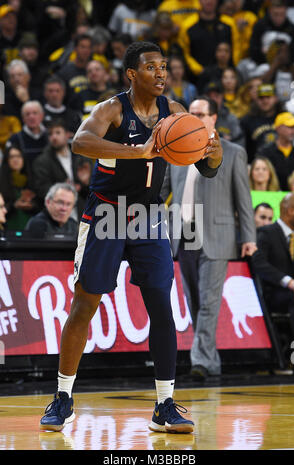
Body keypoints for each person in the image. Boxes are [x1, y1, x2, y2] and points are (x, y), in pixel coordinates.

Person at [39, 41, 223, 434]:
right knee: (85, 304)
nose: (161, 73)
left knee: (161, 305)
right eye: (152, 67)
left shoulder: (174, 114)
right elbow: (80, 143)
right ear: (131, 74)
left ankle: (165, 404)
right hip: (106, 211)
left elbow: (206, 167)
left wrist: (213, 153)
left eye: (164, 67)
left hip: (149, 215)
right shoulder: (110, 109)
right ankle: (62, 397)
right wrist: (137, 152)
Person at [160, 96, 256, 380]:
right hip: (184, 231)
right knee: (195, 301)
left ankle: (200, 360)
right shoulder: (176, 150)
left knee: (210, 301)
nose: (195, 117)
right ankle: (210, 361)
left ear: (214, 118)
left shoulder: (233, 152)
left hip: (217, 233)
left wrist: (248, 236)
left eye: (201, 113)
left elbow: (244, 199)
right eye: (192, 113)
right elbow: (160, 190)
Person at [251, 193, 294, 368]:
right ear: (291, 211)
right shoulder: (266, 232)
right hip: (273, 293)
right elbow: (259, 263)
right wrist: (289, 282)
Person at [32, 119, 92, 219]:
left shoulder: (82, 156)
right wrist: (62, 190)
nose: (54, 137)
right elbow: (41, 188)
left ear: (68, 134)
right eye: (50, 134)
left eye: (58, 132)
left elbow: (96, 188)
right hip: (56, 212)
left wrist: (84, 184)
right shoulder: (42, 161)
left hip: (83, 210)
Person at [257, 112, 294, 191]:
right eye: (289, 127)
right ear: (278, 128)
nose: (293, 131)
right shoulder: (265, 153)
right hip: (270, 195)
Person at [240, 83, 281, 163]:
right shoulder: (247, 121)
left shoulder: (285, 118)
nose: (265, 101)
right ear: (256, 100)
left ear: (275, 98)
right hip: (257, 166)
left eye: (268, 97)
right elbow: (243, 148)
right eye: (261, 98)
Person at [0, 145, 37, 230]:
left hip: (29, 226)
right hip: (8, 227)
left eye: (19, 156)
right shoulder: (2, 181)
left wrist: (32, 205)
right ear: (7, 160)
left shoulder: (32, 179)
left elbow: (40, 205)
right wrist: (14, 206)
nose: (15, 159)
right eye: (12, 157)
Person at [5, 100, 48, 172]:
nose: (31, 117)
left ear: (42, 116)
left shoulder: (50, 136)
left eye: (35, 113)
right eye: (27, 114)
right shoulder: (14, 139)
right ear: (23, 118)